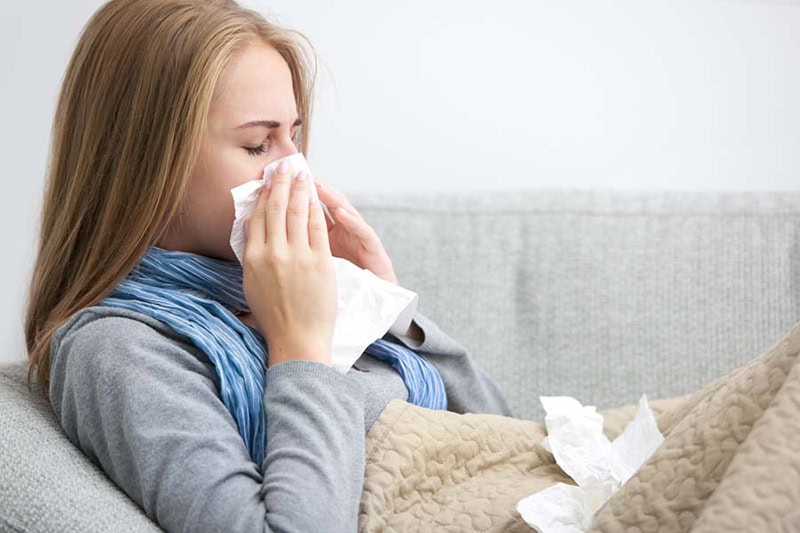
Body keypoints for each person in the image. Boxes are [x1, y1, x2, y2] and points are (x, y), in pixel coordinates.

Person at [23, 0, 513, 531]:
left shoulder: (291, 290)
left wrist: (385, 307)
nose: (295, 169)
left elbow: (505, 438)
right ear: (148, 162)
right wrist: (300, 347)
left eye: (293, 137)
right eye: (258, 144)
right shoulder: (120, 349)